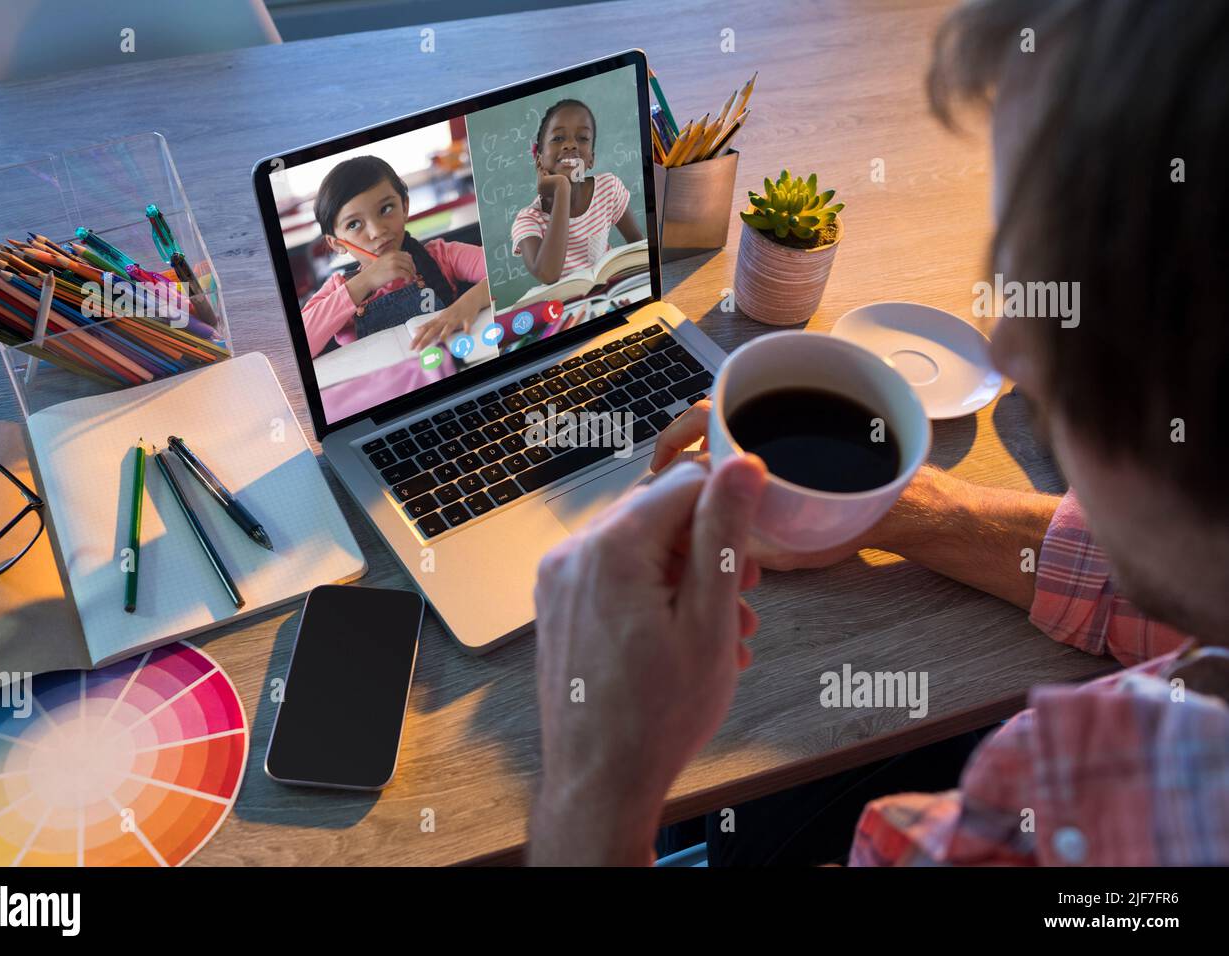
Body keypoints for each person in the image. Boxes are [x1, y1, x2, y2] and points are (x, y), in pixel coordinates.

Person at [528, 0, 1229, 866]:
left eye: (1050, 283)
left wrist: (591, 787)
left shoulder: (1051, 820)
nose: (1011, 343)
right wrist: (898, 508)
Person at [301, 155, 490, 357]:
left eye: (386, 209)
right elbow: (298, 348)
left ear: (405, 207)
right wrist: (364, 282)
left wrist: (470, 302)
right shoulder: (338, 288)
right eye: (354, 224)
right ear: (336, 244)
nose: (377, 231)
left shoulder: (442, 256)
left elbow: (508, 269)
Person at [512, 99, 643, 286]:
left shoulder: (608, 188)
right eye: (558, 138)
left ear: (591, 159)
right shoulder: (528, 220)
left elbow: (639, 247)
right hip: (565, 311)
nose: (571, 145)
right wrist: (562, 189)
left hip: (609, 295)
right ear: (539, 161)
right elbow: (548, 275)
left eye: (582, 138)